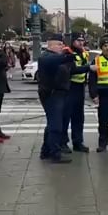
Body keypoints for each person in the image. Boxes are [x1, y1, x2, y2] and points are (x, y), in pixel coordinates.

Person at [37, 33, 79, 163]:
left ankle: (46, 151)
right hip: (51, 94)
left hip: (59, 93)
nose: (62, 46)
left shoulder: (57, 57)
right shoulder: (46, 57)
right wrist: (68, 56)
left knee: (52, 124)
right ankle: (55, 153)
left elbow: (71, 69)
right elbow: (54, 61)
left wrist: (89, 68)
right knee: (55, 125)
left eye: (62, 44)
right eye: (59, 44)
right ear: (51, 45)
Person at [61, 32, 92, 154]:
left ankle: (78, 142)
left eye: (82, 40)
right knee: (66, 116)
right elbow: (72, 70)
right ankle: (63, 143)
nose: (81, 42)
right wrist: (88, 68)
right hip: (69, 87)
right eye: (78, 40)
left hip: (80, 87)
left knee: (79, 117)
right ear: (73, 41)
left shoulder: (84, 53)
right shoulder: (67, 53)